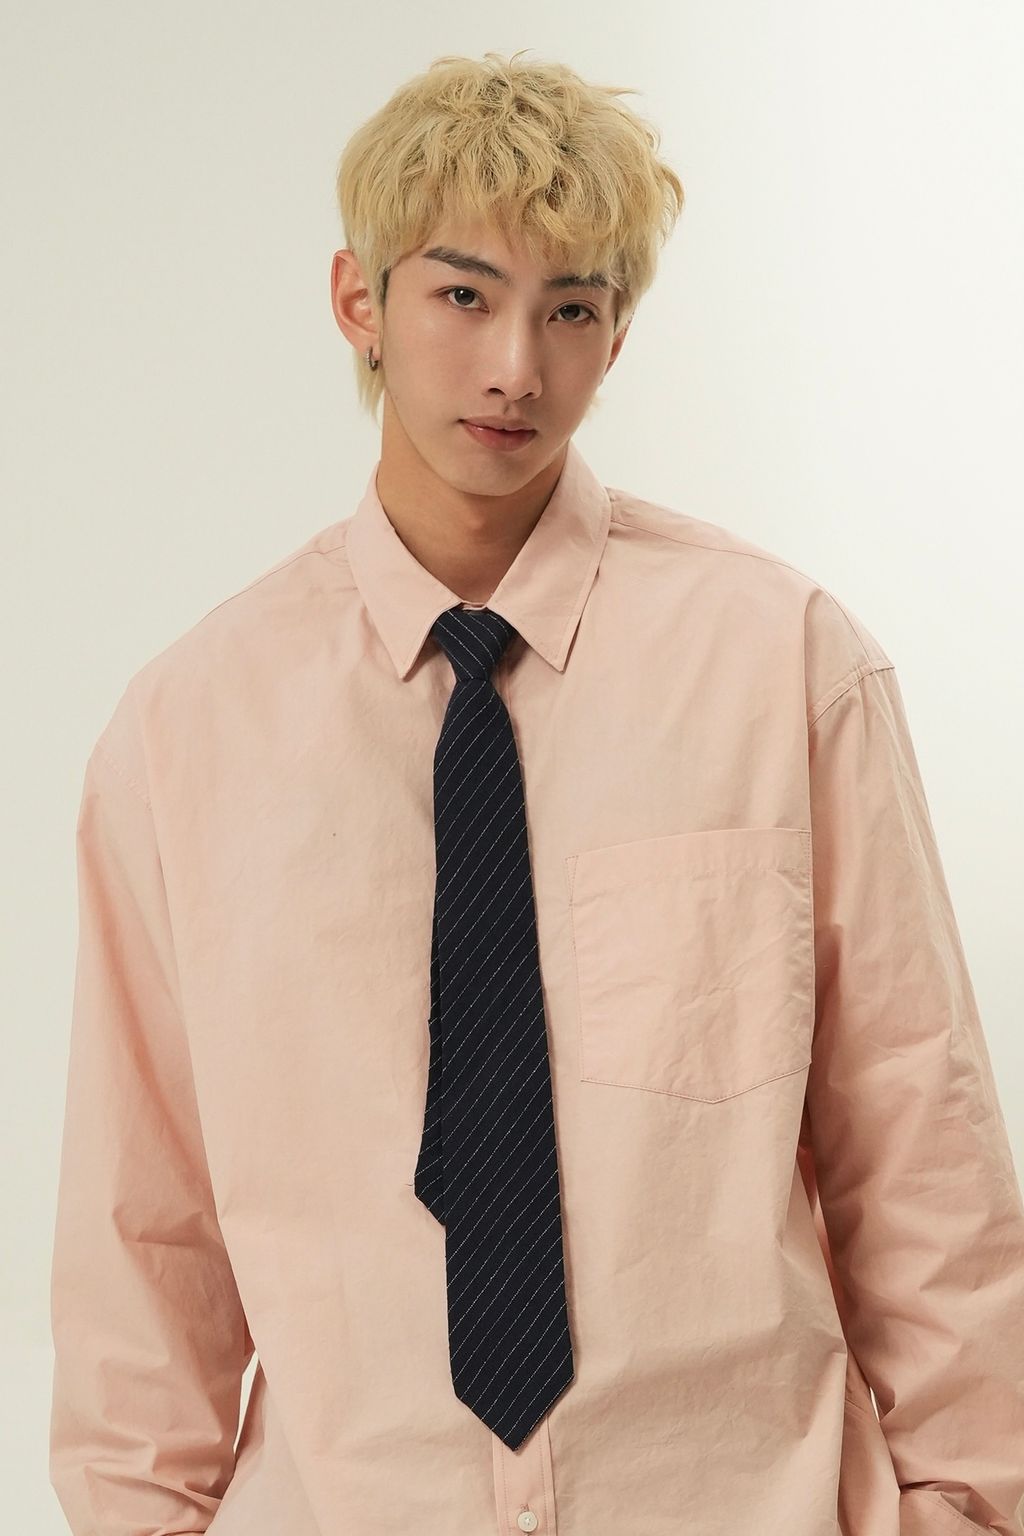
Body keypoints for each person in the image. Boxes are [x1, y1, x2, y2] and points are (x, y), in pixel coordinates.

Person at [48, 48, 1024, 1536]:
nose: (516, 365)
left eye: (571, 308)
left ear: (616, 337)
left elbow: (921, 1147)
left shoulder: (782, 665)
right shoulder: (189, 732)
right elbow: (145, 1225)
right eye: (464, 295)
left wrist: (970, 1509)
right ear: (358, 301)